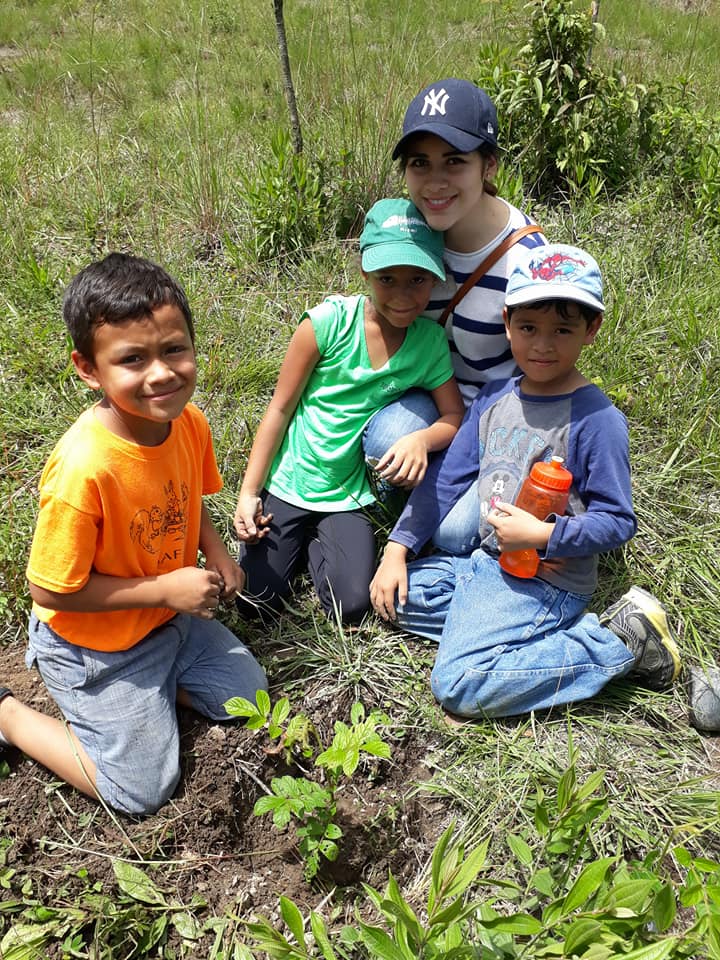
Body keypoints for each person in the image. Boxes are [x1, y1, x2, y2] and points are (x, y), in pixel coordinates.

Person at [0, 253, 267, 816]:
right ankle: (10, 716)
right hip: (95, 645)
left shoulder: (187, 424)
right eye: (132, 359)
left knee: (250, 698)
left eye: (174, 349)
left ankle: (151, 698)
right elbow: (51, 592)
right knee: (142, 789)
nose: (162, 373)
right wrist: (166, 591)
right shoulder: (84, 468)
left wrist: (216, 551)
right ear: (88, 368)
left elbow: (187, 496)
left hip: (167, 620)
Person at [370, 244, 681, 719]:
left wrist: (544, 535)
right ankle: (504, 634)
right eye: (529, 328)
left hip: (546, 581)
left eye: (563, 330)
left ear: (591, 330)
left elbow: (617, 521)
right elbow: (447, 480)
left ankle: (621, 642)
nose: (542, 345)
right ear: (507, 322)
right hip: (485, 563)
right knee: (393, 598)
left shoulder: (596, 419)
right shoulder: (494, 399)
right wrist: (397, 549)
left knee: (457, 684)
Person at [234, 198, 464, 623]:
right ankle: (293, 542)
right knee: (256, 603)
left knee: (353, 606)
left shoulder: (429, 342)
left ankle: (315, 546)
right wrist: (249, 494)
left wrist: (420, 438)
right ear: (364, 271)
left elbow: (454, 416)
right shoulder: (327, 324)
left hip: (347, 494)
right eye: (387, 278)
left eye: (417, 279)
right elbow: (280, 409)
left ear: (435, 277)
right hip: (291, 481)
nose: (402, 295)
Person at [364, 78, 548, 554]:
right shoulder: (411, 232)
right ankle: (420, 494)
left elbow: (544, 370)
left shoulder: (526, 260)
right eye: (420, 163)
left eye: (454, 162)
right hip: (435, 394)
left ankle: (439, 506)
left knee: (452, 533)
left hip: (499, 412)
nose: (435, 182)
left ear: (489, 165)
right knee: (385, 441)